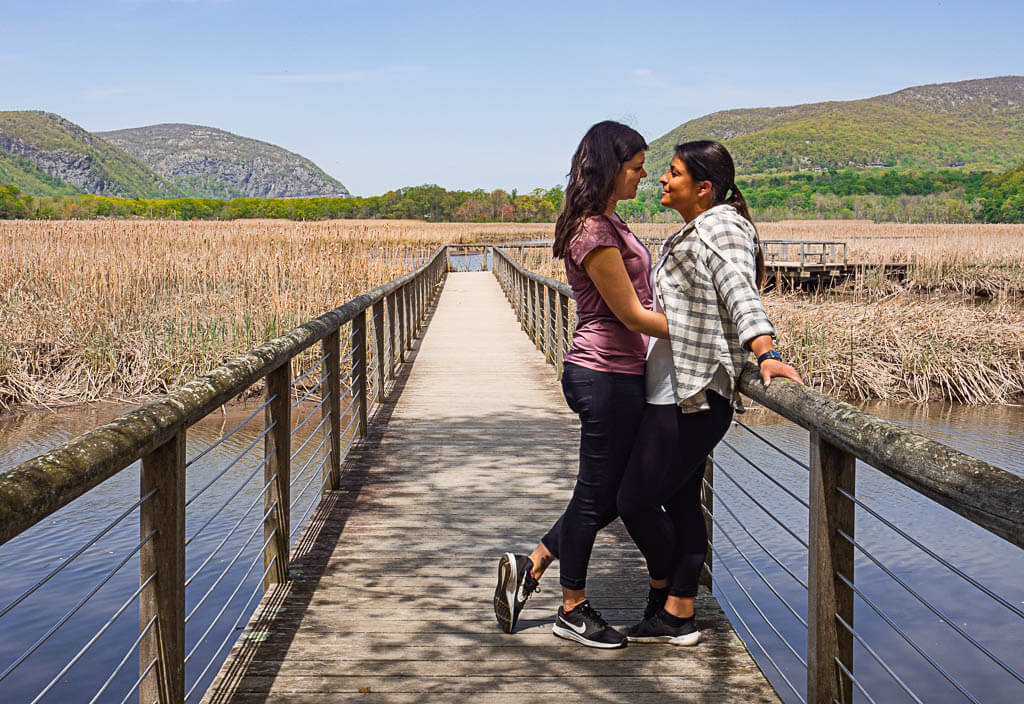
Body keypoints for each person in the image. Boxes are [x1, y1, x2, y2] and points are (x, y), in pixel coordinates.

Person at [616, 140, 802, 646]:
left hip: (690, 395)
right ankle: (678, 614)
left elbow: (741, 291)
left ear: (703, 188)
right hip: (675, 388)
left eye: (673, 173)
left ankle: (670, 596)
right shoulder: (699, 226)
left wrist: (765, 352)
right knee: (679, 504)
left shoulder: (720, 225)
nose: (661, 179)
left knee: (633, 501)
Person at [493, 121, 668, 648]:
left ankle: (533, 563)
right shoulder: (593, 231)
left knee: (612, 493)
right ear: (611, 168)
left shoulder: (610, 221)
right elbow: (633, 315)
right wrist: (707, 330)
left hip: (619, 374)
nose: (643, 176)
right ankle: (571, 610)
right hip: (604, 374)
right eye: (636, 167)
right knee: (597, 496)